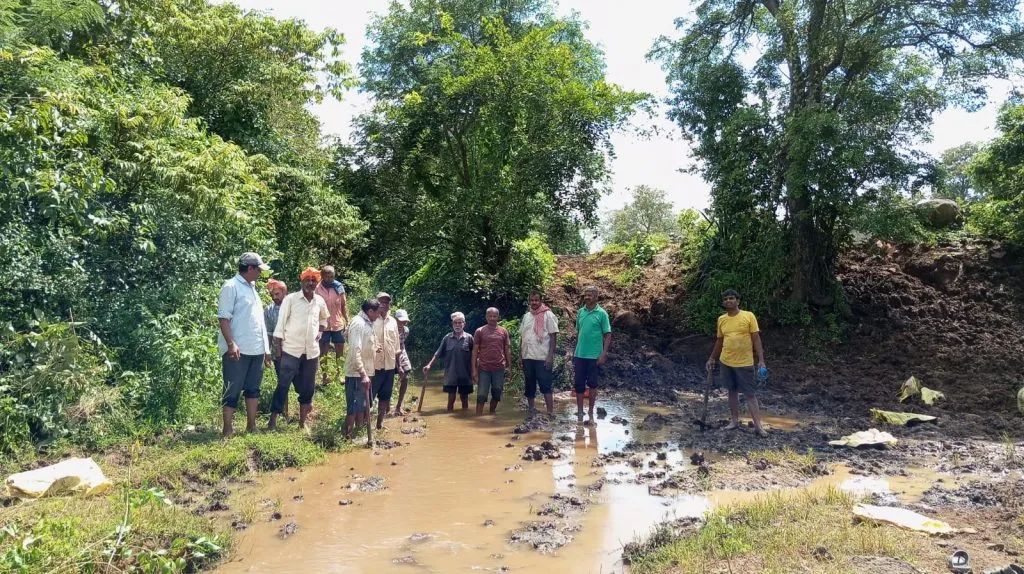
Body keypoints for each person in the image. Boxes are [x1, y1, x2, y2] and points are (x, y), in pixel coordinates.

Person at [217, 252, 272, 438]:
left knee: (253, 389)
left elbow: (258, 322)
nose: (260, 274)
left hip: (256, 348)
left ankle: (251, 425)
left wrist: (266, 350)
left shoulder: (253, 288)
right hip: (238, 350)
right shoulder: (231, 286)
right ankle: (227, 430)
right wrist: (231, 344)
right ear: (250, 268)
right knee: (232, 389)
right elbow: (224, 318)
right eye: (258, 269)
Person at [269, 268, 329, 431]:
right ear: (301, 282)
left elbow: (324, 319)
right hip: (290, 351)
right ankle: (273, 421)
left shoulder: (320, 301)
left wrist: (321, 331)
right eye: (307, 280)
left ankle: (303, 423)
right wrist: (279, 352)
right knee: (283, 385)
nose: (310, 283)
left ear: (317, 283)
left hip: (311, 352)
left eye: (313, 280)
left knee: (308, 387)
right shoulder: (291, 299)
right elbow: (280, 327)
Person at [705, 288, 769, 437]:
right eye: (726, 299)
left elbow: (756, 339)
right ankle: (734, 421)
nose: (728, 301)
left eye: (731, 298)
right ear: (723, 302)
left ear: (738, 301)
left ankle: (758, 426)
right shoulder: (722, 319)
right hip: (726, 361)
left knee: (750, 394)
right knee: (731, 391)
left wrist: (761, 360)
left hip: (745, 362)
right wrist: (712, 358)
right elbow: (720, 340)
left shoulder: (748, 316)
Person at [573, 285, 611, 424]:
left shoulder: (602, 314)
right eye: (586, 295)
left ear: (596, 297)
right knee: (579, 384)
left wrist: (603, 354)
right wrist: (574, 351)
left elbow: (607, 335)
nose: (587, 297)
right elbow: (578, 332)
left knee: (593, 384)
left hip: (594, 356)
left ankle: (590, 411)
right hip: (580, 355)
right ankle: (580, 411)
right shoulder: (580, 312)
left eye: (590, 295)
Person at [422, 312, 474, 411]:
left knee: (464, 399)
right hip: (451, 374)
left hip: (465, 374)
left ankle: (465, 416)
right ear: (452, 324)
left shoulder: (469, 338)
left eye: (460, 323)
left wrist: (475, 371)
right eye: (455, 323)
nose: (458, 325)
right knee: (451, 399)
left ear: (464, 324)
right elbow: (437, 354)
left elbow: (475, 355)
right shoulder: (447, 338)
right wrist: (429, 365)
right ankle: (449, 414)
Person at [520, 290, 559, 415]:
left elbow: (553, 337)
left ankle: (550, 412)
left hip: (542, 357)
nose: (534, 302)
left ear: (541, 301)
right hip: (527, 356)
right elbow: (523, 337)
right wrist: (520, 356)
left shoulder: (549, 315)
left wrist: (550, 357)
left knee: (546, 386)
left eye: (536, 300)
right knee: (529, 385)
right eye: (532, 300)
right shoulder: (527, 316)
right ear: (529, 301)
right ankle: (531, 409)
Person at [345, 299, 380, 439]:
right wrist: (363, 374)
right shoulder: (358, 323)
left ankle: (358, 434)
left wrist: (375, 348)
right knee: (353, 406)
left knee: (361, 405)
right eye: (377, 313)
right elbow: (355, 350)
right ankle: (348, 436)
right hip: (356, 373)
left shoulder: (367, 322)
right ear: (370, 311)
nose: (378, 316)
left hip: (364, 372)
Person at [372, 292, 402, 430]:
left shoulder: (393, 322)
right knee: (369, 395)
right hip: (373, 365)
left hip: (389, 365)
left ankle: (379, 423)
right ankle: (365, 424)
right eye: (381, 302)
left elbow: (396, 345)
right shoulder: (370, 319)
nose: (384, 304)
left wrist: (399, 366)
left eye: (387, 302)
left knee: (385, 396)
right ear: (377, 303)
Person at [472, 307, 511, 415]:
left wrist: (509, 368)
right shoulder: (480, 331)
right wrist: (474, 370)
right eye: (490, 316)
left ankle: (491, 413)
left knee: (497, 393)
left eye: (494, 316)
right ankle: (478, 418)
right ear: (486, 317)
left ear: (498, 317)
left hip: (499, 367)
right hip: (484, 368)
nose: (492, 318)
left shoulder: (503, 331)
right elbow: (475, 351)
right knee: (481, 395)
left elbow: (507, 349)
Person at [315, 265, 349, 386]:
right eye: (327, 276)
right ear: (322, 276)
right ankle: (325, 376)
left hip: (337, 323)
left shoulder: (339, 287)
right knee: (323, 350)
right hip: (322, 324)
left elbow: (344, 305)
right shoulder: (317, 288)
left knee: (340, 348)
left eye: (332, 276)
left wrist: (347, 319)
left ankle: (339, 374)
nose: (329, 278)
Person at [265, 279, 288, 417]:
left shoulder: (292, 306)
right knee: (282, 381)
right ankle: (284, 412)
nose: (275, 298)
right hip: (277, 352)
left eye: (277, 294)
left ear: (285, 292)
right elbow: (267, 332)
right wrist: (267, 352)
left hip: (293, 349)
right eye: (272, 295)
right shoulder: (268, 309)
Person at [391, 309, 413, 416]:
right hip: (390, 353)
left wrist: (401, 364)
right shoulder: (390, 330)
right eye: (400, 321)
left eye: (404, 321)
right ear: (395, 320)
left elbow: (401, 346)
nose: (402, 323)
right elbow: (392, 349)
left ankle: (398, 406)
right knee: (388, 379)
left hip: (401, 351)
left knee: (406, 377)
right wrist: (398, 366)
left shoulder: (406, 330)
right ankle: (386, 406)